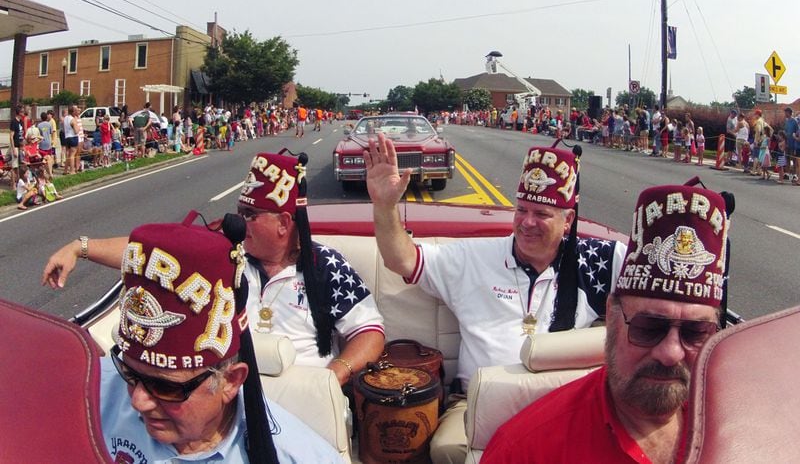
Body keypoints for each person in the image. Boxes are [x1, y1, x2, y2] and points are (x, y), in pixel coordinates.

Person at [365, 133, 626, 464]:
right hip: (478, 400)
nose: (527, 223)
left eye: (542, 214)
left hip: (563, 402)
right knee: (447, 449)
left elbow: (660, 272)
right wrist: (385, 206)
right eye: (521, 210)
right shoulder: (474, 257)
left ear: (568, 220)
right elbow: (401, 260)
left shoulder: (593, 261)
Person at [42, 151, 385, 387]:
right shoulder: (225, 250)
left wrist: (333, 375)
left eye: (250, 216)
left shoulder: (324, 265)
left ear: (283, 223)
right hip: (225, 390)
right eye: (239, 211)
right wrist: (80, 247)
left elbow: (369, 332)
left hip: (304, 394)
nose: (239, 221)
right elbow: (152, 255)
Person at [482, 181, 732, 464]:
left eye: (695, 332)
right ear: (611, 316)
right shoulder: (525, 451)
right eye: (649, 328)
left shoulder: (740, 428)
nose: (671, 352)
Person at [100, 213, 342, 463]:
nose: (138, 401)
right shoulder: (92, 392)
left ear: (230, 381)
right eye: (128, 374)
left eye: (166, 388)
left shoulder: (300, 456)